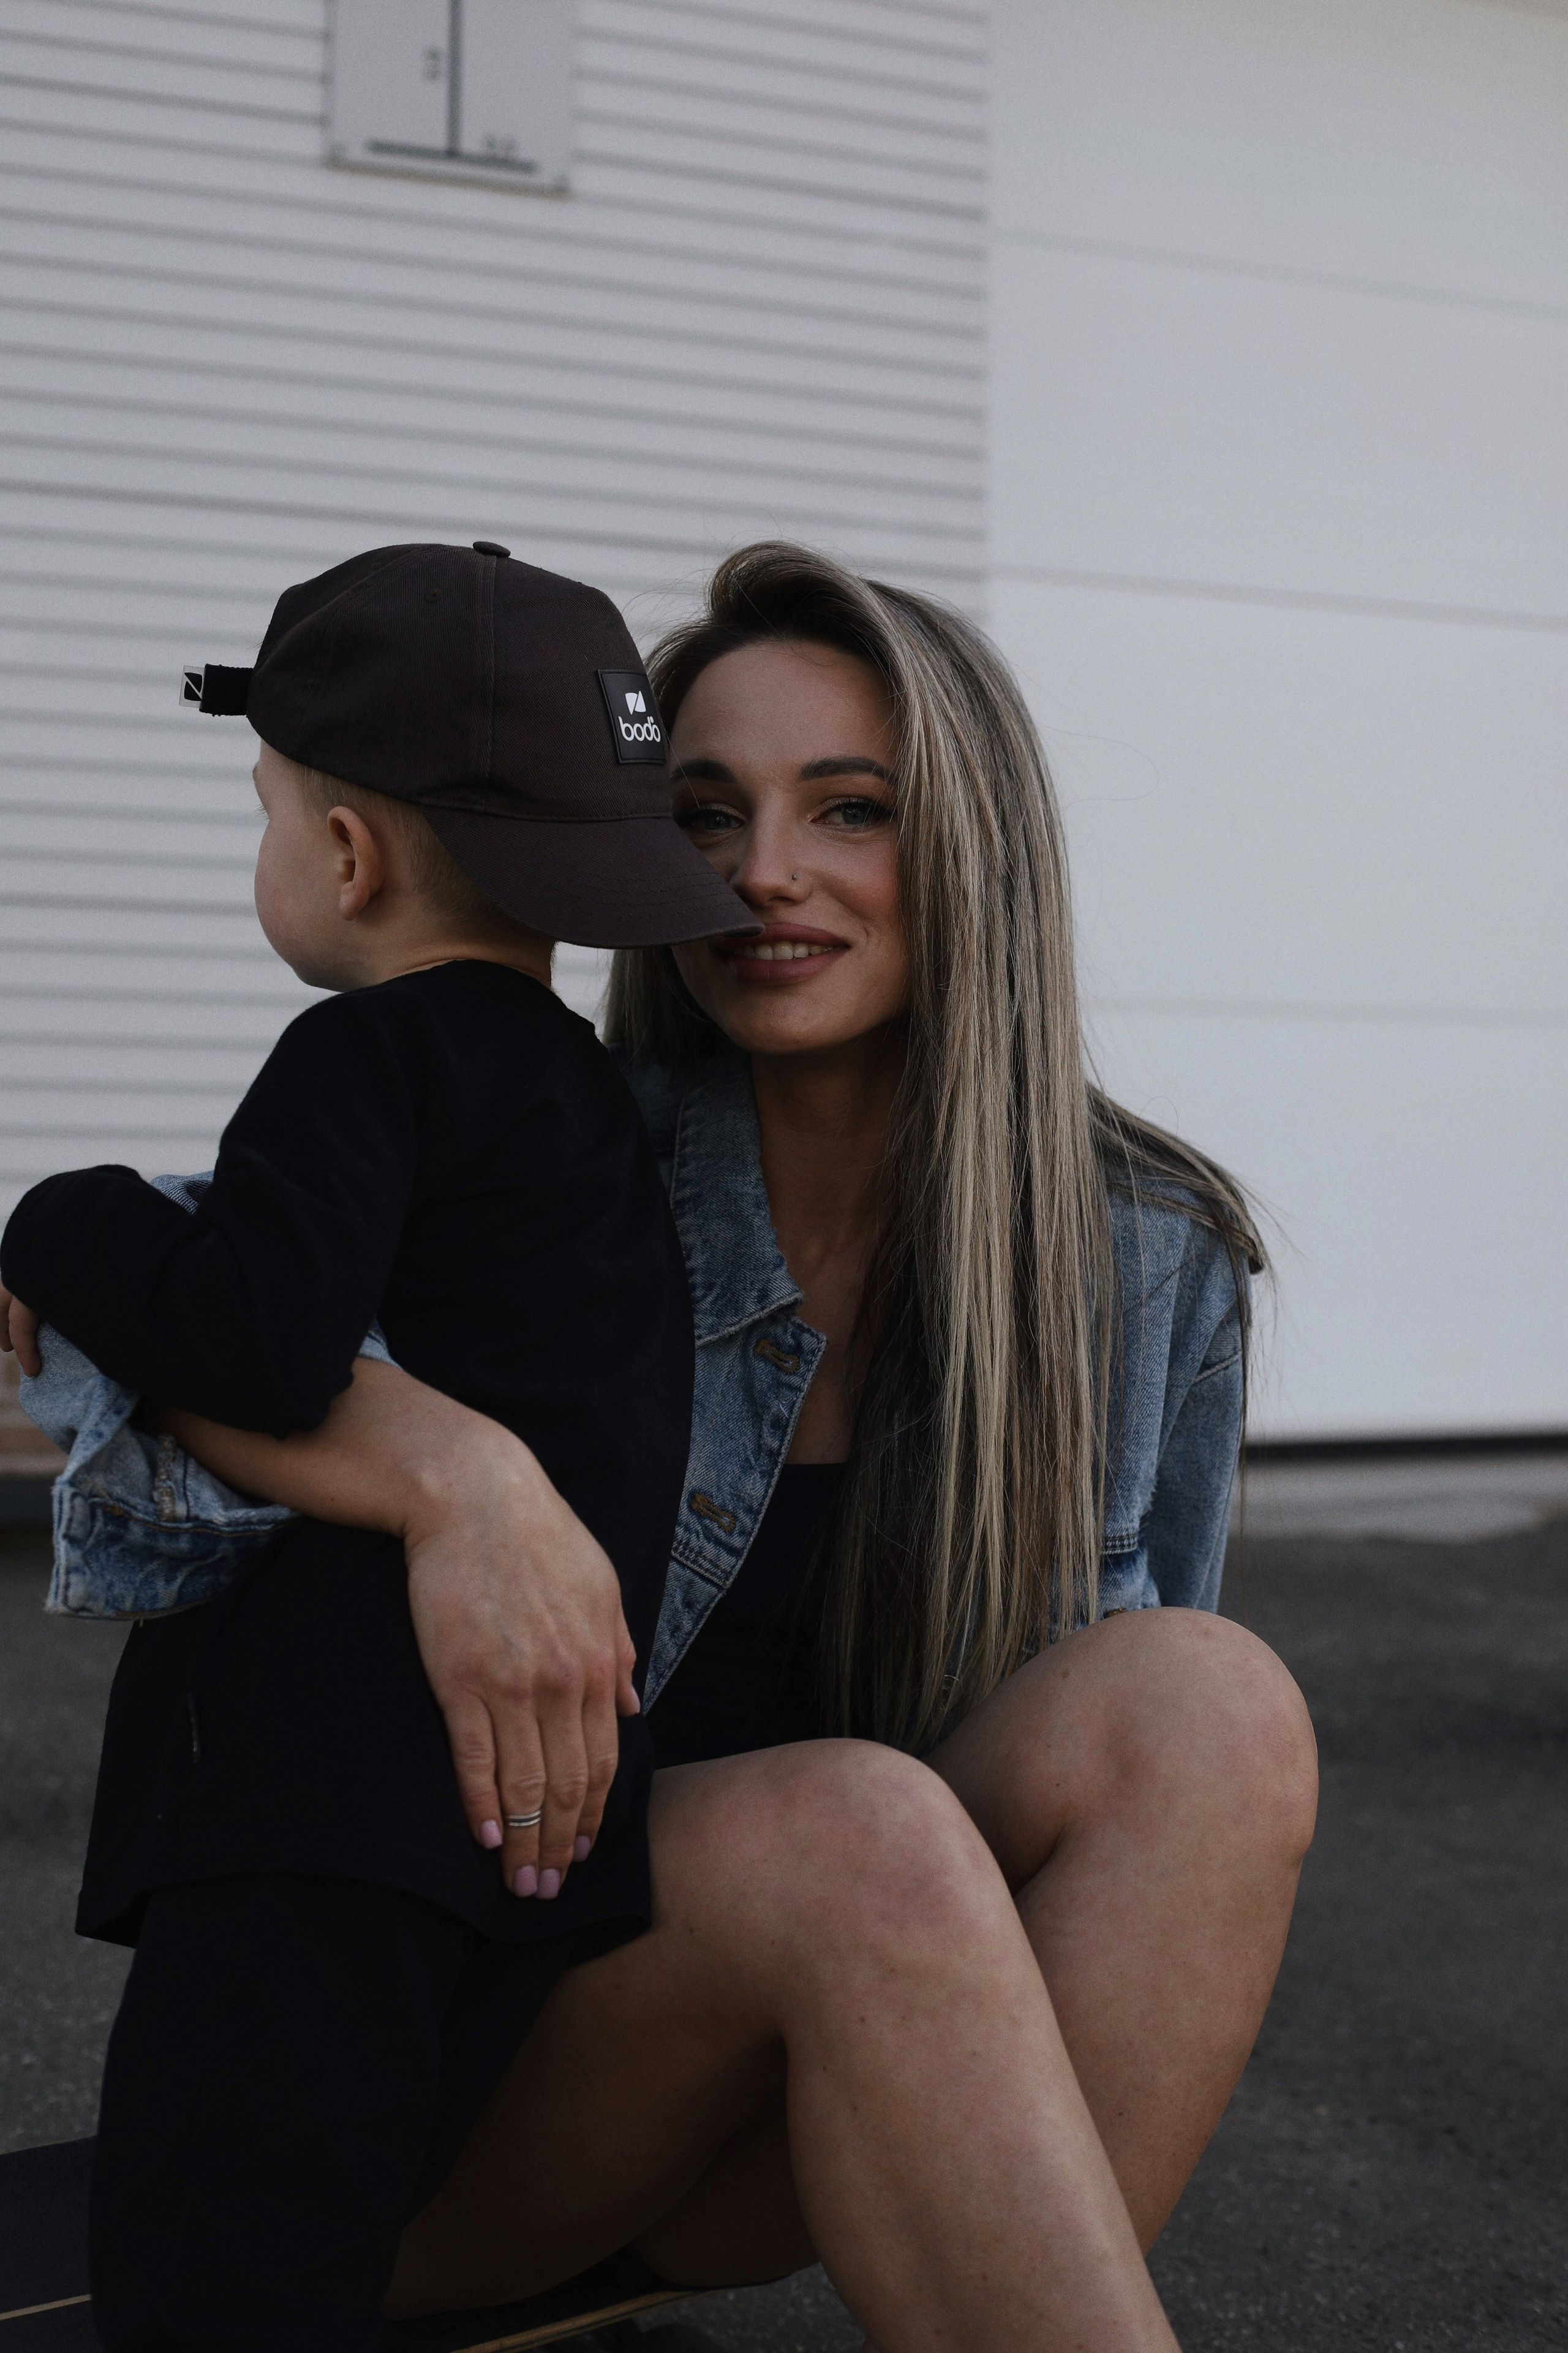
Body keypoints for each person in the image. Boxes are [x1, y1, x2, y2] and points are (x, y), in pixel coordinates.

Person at [7, 543, 1319, 2353]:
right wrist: (458, 1472)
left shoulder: (1149, 1250)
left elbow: (1098, 1869)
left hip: (830, 2067)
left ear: (970, 848)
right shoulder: (546, 1136)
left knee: (1211, 1703)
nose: (767, 871)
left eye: (849, 808)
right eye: (708, 811)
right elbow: (163, 1292)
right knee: (860, 1825)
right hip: (477, 2082)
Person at [0, 535, 757, 2349]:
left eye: (269, 810)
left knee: (214, 2265)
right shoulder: (582, 1104)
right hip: (505, 1829)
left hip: (316, 1811)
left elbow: (257, 1336)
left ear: (347, 851)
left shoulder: (366, 1058)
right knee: (338, 2234)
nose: (270, 850)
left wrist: (60, 1215)